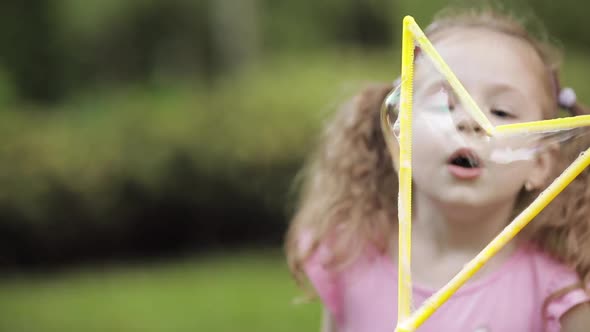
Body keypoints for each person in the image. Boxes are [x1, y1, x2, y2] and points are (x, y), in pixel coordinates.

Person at [285, 7, 590, 332]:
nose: (470, 121)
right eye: (445, 104)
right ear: (399, 134)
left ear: (540, 162)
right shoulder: (350, 257)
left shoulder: (553, 295)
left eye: (501, 110)